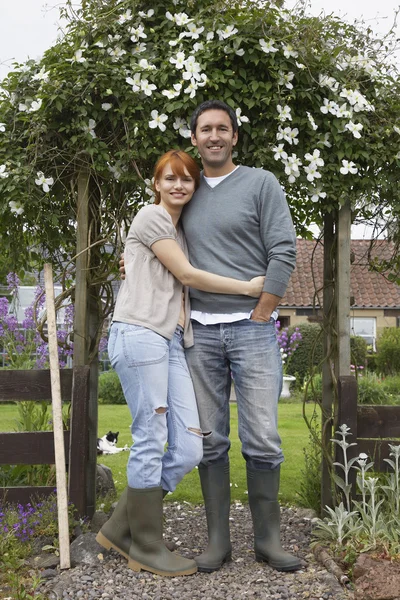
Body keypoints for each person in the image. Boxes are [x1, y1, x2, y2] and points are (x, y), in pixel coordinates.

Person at [96, 149, 265, 577]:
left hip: (171, 341)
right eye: (169, 178)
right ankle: (147, 546)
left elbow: (168, 268)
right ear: (156, 184)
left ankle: (120, 526)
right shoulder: (150, 217)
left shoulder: (178, 231)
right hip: (140, 334)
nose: (178, 185)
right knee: (150, 436)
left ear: (193, 187)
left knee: (191, 445)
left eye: (186, 180)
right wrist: (249, 289)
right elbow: (187, 276)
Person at [180, 99, 301, 573]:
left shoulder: (260, 183)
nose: (213, 136)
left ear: (234, 136)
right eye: (205, 129)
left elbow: (283, 249)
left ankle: (267, 542)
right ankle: (217, 543)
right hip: (199, 335)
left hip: (251, 331)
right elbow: (163, 243)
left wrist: (263, 311)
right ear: (194, 138)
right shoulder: (184, 188)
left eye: (222, 129)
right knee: (209, 439)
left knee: (264, 438)